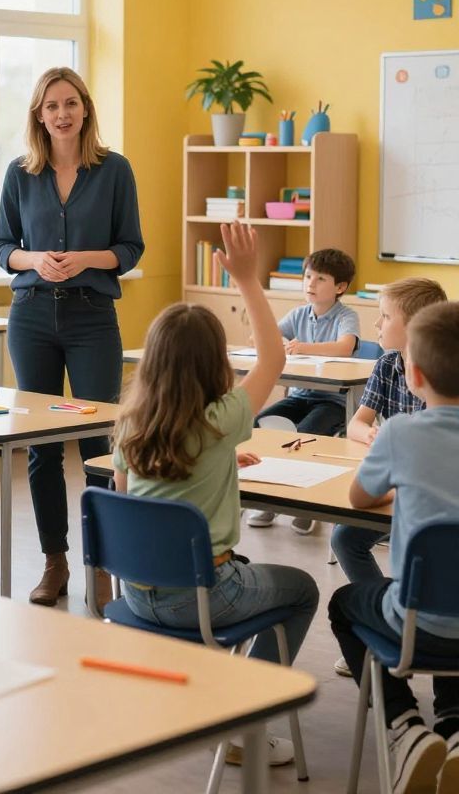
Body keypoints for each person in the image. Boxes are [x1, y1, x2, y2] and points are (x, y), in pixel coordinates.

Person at [113, 223, 319, 768]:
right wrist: (249, 281)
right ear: (215, 364)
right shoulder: (218, 421)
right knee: (301, 589)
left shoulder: (130, 427)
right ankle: (243, 719)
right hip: (203, 594)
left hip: (135, 595)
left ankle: (197, 689)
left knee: (239, 572)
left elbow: (130, 503)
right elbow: (274, 359)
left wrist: (221, 461)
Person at [0, 66, 144, 608]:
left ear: (85, 110)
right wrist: (35, 259)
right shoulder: (20, 173)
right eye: (52, 105)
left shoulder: (114, 170)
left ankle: (100, 565)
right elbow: (2, 246)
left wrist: (82, 260)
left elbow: (130, 248)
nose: (62, 113)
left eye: (71, 103)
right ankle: (54, 563)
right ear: (39, 113)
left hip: (91, 316)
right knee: (42, 446)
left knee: (96, 440)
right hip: (31, 314)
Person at [329, 301, 459, 794]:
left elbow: (359, 497)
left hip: (413, 623)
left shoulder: (402, 433)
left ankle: (404, 725)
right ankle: (452, 724)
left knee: (345, 605)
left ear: (416, 376)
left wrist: (405, 484)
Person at [248, 247, 360, 535]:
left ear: (340, 287)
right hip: (300, 396)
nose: (310, 283)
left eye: (320, 279)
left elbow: (345, 346)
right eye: (308, 276)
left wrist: (301, 347)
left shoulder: (346, 316)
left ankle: (303, 503)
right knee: (256, 424)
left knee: (303, 435)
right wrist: (270, 338)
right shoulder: (299, 314)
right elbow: (265, 336)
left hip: (332, 401)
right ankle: (269, 500)